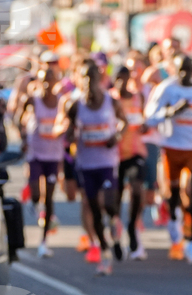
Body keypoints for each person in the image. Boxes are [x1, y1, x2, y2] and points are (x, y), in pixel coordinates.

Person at [56, 60, 128, 276]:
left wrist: (116, 137)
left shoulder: (111, 101)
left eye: (92, 76)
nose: (88, 81)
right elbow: (69, 131)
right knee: (94, 209)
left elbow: (124, 123)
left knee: (109, 204)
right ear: (79, 79)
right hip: (86, 163)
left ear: (100, 78)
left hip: (107, 162)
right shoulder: (75, 105)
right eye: (84, 77)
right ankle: (105, 252)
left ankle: (115, 228)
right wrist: (69, 136)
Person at [145, 55, 192, 264]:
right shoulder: (166, 88)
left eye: (188, 69)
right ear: (174, 70)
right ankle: (174, 221)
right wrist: (172, 111)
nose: (184, 74)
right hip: (172, 148)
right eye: (180, 70)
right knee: (173, 195)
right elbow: (150, 117)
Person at [17, 68, 64, 258]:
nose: (47, 84)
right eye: (44, 81)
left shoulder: (62, 101)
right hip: (35, 153)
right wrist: (23, 138)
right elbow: (19, 118)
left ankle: (44, 242)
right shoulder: (32, 100)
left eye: (50, 80)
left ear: (56, 82)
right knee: (36, 193)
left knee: (50, 198)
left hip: (54, 155)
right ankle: (34, 202)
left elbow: (68, 120)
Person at [112, 65, 148, 260]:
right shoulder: (109, 99)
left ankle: (132, 226)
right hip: (114, 155)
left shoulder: (138, 97)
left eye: (124, 78)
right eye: (118, 78)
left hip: (135, 152)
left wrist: (145, 126)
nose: (121, 82)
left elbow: (145, 119)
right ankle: (116, 239)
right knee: (115, 200)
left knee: (136, 190)